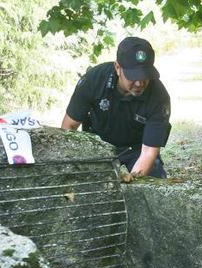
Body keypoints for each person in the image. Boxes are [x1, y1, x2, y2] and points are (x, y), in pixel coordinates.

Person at [62, 36, 172, 178]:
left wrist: (132, 182)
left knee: (153, 182)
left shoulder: (159, 96)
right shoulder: (93, 80)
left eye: (144, 76)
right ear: (118, 68)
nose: (139, 83)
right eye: (133, 76)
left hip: (136, 150)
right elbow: (68, 128)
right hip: (96, 147)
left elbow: (149, 152)